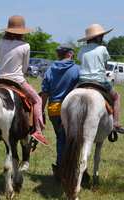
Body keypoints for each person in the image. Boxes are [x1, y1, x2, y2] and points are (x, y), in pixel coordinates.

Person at [0, 15, 48, 145]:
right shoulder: (25, 45)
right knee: (37, 100)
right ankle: (37, 130)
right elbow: (24, 68)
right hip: (17, 80)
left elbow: (1, 60)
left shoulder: (0, 42)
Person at [77, 24, 124, 133]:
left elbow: (81, 61)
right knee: (117, 97)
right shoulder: (103, 49)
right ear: (98, 37)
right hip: (99, 81)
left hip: (82, 81)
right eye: (102, 36)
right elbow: (104, 64)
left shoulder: (82, 49)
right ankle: (115, 123)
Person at [41, 44, 79, 177]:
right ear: (69, 54)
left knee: (60, 138)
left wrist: (41, 111)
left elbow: (45, 92)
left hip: (54, 110)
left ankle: (60, 166)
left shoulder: (50, 69)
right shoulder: (77, 69)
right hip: (71, 110)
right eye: (72, 53)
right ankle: (67, 169)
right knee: (71, 140)